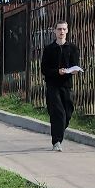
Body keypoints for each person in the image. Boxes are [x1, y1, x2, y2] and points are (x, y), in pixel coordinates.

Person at [40, 20, 83, 151]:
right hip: (53, 85)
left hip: (67, 85)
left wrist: (74, 71)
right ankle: (56, 142)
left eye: (64, 29)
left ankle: (58, 130)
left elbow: (75, 65)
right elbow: (44, 69)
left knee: (68, 113)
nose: (61, 32)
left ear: (67, 31)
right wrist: (57, 72)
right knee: (58, 113)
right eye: (59, 29)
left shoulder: (73, 48)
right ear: (55, 31)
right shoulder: (49, 49)